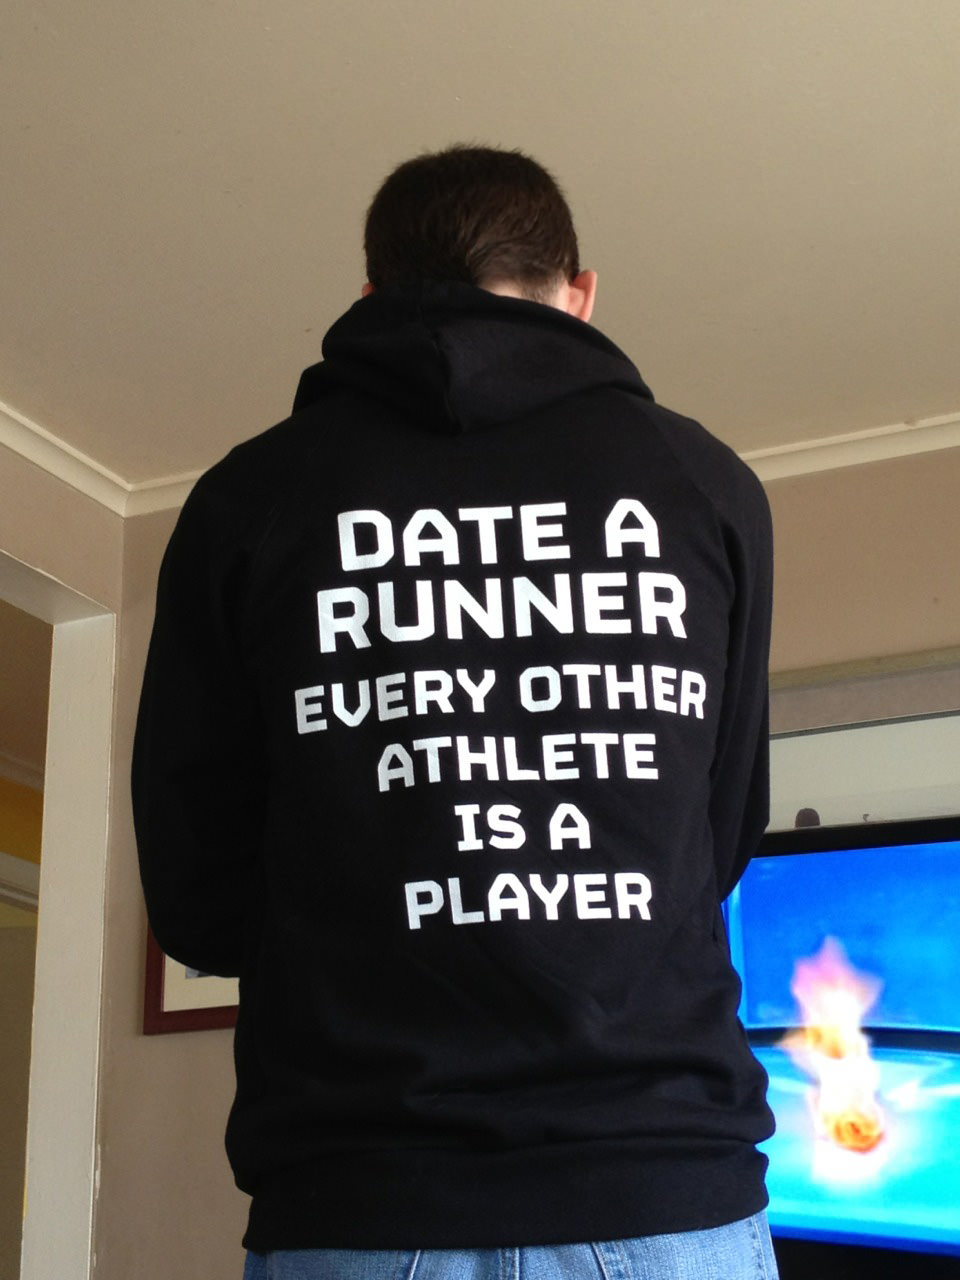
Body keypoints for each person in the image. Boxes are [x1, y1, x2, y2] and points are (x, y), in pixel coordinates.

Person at [133, 145, 778, 1280]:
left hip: (361, 1188)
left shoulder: (251, 497)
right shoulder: (703, 482)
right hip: (664, 1182)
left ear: (372, 295)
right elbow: (717, 834)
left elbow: (199, 896)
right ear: (580, 292)